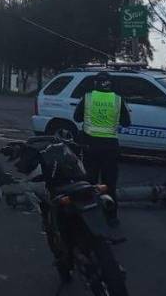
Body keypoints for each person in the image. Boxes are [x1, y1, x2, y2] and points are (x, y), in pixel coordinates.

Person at [73, 71, 130, 224]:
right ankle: (111, 217)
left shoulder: (88, 98)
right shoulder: (118, 100)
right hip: (110, 147)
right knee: (109, 184)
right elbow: (126, 122)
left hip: (90, 145)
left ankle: (87, 215)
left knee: (89, 182)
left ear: (95, 83)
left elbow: (76, 117)